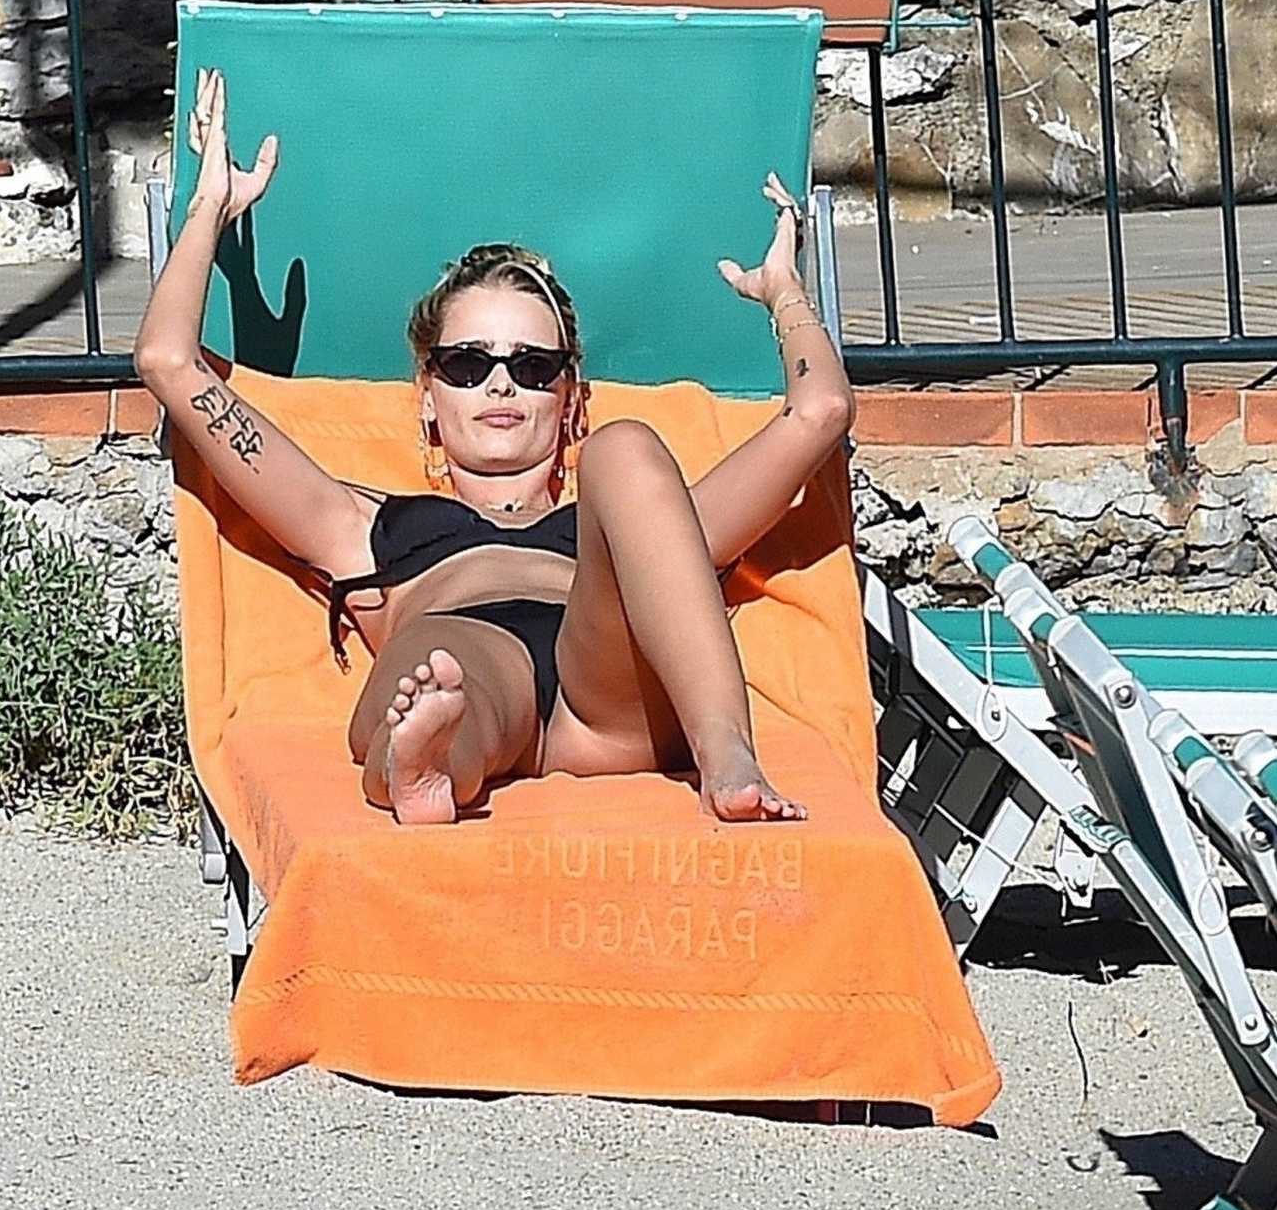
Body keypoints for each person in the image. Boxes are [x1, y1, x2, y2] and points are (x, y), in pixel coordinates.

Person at [135, 71, 854, 827]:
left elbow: (822, 411)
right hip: (469, 653)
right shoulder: (362, 525)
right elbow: (167, 363)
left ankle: (728, 756)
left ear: (570, 398)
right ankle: (428, 761)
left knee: (628, 449)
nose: (501, 384)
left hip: (614, 688)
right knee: (444, 668)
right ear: (428, 395)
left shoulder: (647, 528)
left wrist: (783, 290)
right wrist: (209, 207)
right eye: (467, 364)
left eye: (534, 367)